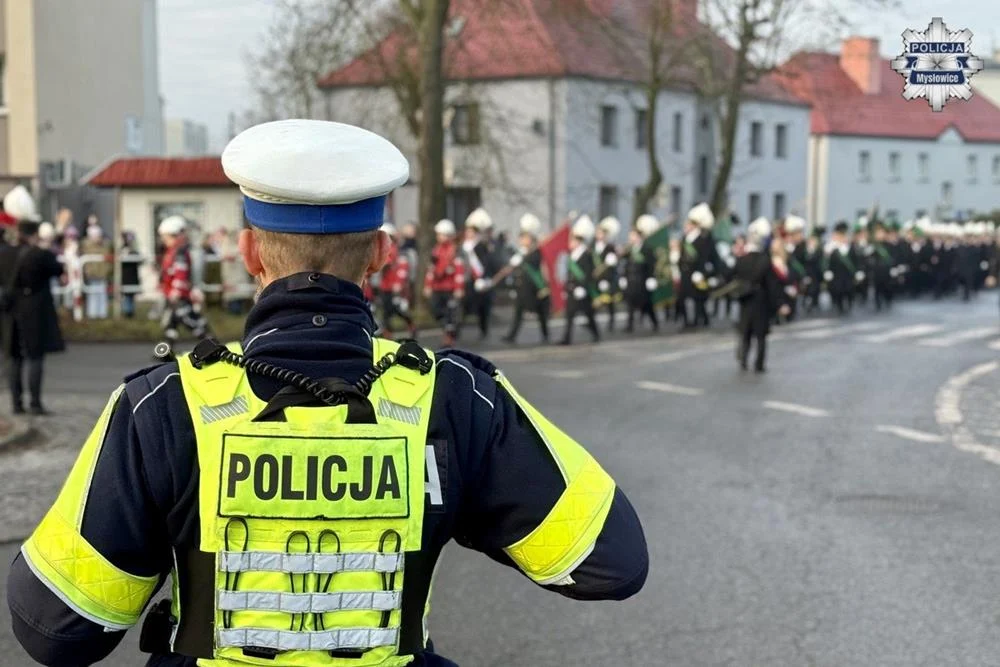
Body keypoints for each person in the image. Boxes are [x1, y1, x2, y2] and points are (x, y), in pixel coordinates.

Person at [6, 119, 647, 667]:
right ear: (381, 255)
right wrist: (464, 497)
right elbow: (611, 562)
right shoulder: (455, 399)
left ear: (251, 253)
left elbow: (54, 629)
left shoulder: (163, 407)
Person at [0, 186, 65, 415]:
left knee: (13, 358)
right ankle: (35, 403)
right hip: (35, 309)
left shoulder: (3, 252)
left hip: (9, 311)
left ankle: (16, 404)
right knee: (35, 357)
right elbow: (59, 270)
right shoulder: (40, 254)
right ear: (34, 231)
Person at [733, 217, 784, 373]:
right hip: (761, 301)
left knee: (746, 333)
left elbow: (733, 278)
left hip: (745, 300)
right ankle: (759, 364)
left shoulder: (741, 260)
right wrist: (779, 303)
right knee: (760, 336)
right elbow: (772, 284)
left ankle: (743, 361)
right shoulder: (765, 260)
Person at [158, 215, 209, 356]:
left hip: (180, 294)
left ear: (174, 235)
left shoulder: (179, 251)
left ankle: (212, 344)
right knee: (171, 323)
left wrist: (176, 291)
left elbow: (181, 273)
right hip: (173, 293)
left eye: (166, 237)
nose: (164, 240)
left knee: (191, 321)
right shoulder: (173, 250)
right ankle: (164, 351)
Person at [502, 213, 551, 344]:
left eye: (524, 238)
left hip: (535, 289)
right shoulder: (521, 253)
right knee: (518, 313)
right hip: (523, 289)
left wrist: (523, 258)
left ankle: (546, 334)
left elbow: (535, 265)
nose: (522, 241)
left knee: (541, 314)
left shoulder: (536, 252)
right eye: (521, 238)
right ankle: (511, 336)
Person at [560, 215, 601, 345]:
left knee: (589, 315)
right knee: (569, 315)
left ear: (578, 241)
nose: (570, 243)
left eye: (572, 241)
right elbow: (569, 274)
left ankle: (596, 334)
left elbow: (589, 274)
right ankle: (566, 338)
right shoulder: (572, 255)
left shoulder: (587, 254)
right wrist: (566, 288)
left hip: (582, 291)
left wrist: (583, 288)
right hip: (572, 290)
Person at [424, 219, 465, 346]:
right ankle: (451, 330)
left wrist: (459, 287)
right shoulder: (436, 250)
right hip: (437, 287)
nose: (438, 236)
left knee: (450, 313)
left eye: (440, 234)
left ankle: (448, 338)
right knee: (436, 311)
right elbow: (431, 269)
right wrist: (428, 285)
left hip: (450, 288)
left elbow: (459, 270)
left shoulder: (454, 250)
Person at [678, 203, 719, 329]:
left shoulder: (703, 240)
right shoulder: (685, 239)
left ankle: (698, 320)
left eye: (688, 224)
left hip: (697, 273)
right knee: (682, 298)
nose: (686, 226)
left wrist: (702, 272)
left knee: (698, 298)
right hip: (686, 273)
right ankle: (686, 321)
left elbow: (704, 257)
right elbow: (683, 256)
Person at [461, 207, 497, 340]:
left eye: (471, 232)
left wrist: (485, 278)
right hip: (468, 280)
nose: (468, 234)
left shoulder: (481, 246)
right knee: (464, 306)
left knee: (483, 307)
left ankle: (484, 330)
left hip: (481, 281)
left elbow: (487, 263)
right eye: (467, 231)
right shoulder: (462, 247)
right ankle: (456, 331)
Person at [377, 223, 417, 339]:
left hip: (395, 286)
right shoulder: (380, 249)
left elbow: (401, 267)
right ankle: (388, 335)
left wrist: (399, 283)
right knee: (386, 312)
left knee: (398, 310)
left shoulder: (395, 250)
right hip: (385, 285)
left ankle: (411, 325)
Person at [623, 215, 660, 333]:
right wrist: (623, 277)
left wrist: (651, 278)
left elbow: (651, 264)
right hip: (631, 279)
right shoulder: (630, 249)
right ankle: (629, 325)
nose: (630, 237)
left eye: (633, 235)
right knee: (630, 303)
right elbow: (626, 264)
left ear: (639, 237)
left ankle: (655, 322)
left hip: (642, 280)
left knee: (647, 304)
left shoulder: (647, 249)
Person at [80, 219, 113, 319]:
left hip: (102, 273)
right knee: (92, 294)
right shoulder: (86, 245)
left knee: (102, 294)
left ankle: (102, 314)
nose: (98, 238)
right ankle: (92, 314)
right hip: (92, 274)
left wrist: (108, 270)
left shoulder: (104, 245)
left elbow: (107, 256)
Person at [594, 216, 621, 332]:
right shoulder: (593, 247)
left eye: (601, 233)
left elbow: (612, 265)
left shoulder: (610, 247)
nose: (599, 235)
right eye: (598, 233)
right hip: (596, 278)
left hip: (607, 279)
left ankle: (611, 322)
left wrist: (614, 260)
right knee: (595, 302)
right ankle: (592, 323)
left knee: (609, 303)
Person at [824, 221, 855, 315]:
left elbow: (855, 260)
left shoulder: (849, 247)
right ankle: (840, 307)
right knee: (838, 291)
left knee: (849, 290)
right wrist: (828, 271)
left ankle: (849, 303)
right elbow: (827, 262)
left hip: (848, 274)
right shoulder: (831, 248)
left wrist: (858, 271)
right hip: (836, 274)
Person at [120, 231, 142, 318]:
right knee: (126, 294)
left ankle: (130, 311)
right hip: (125, 276)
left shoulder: (135, 250)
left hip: (133, 275)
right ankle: (127, 311)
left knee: (131, 294)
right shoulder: (122, 249)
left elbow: (138, 261)